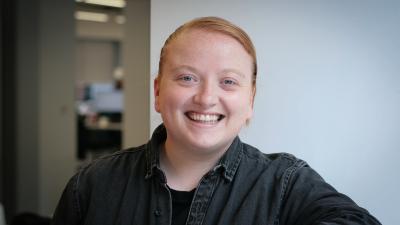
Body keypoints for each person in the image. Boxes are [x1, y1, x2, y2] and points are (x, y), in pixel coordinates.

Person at [51, 17, 381, 225]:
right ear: (157, 92)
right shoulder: (91, 186)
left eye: (228, 82)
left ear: (249, 101)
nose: (207, 98)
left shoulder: (285, 183)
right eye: (187, 78)